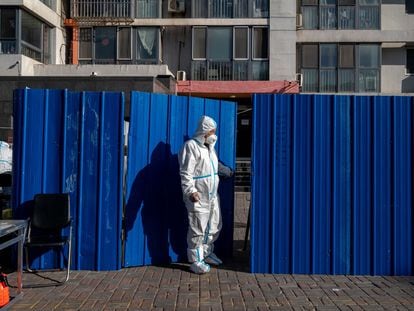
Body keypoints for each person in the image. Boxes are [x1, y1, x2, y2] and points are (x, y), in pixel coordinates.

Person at [178, 115, 233, 274]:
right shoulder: (191, 146)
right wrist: (191, 191)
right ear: (204, 131)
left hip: (212, 195)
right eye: (212, 131)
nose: (214, 134)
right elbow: (186, 173)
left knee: (214, 225)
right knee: (197, 228)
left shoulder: (210, 148)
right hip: (198, 196)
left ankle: (207, 252)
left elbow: (212, 168)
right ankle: (195, 260)